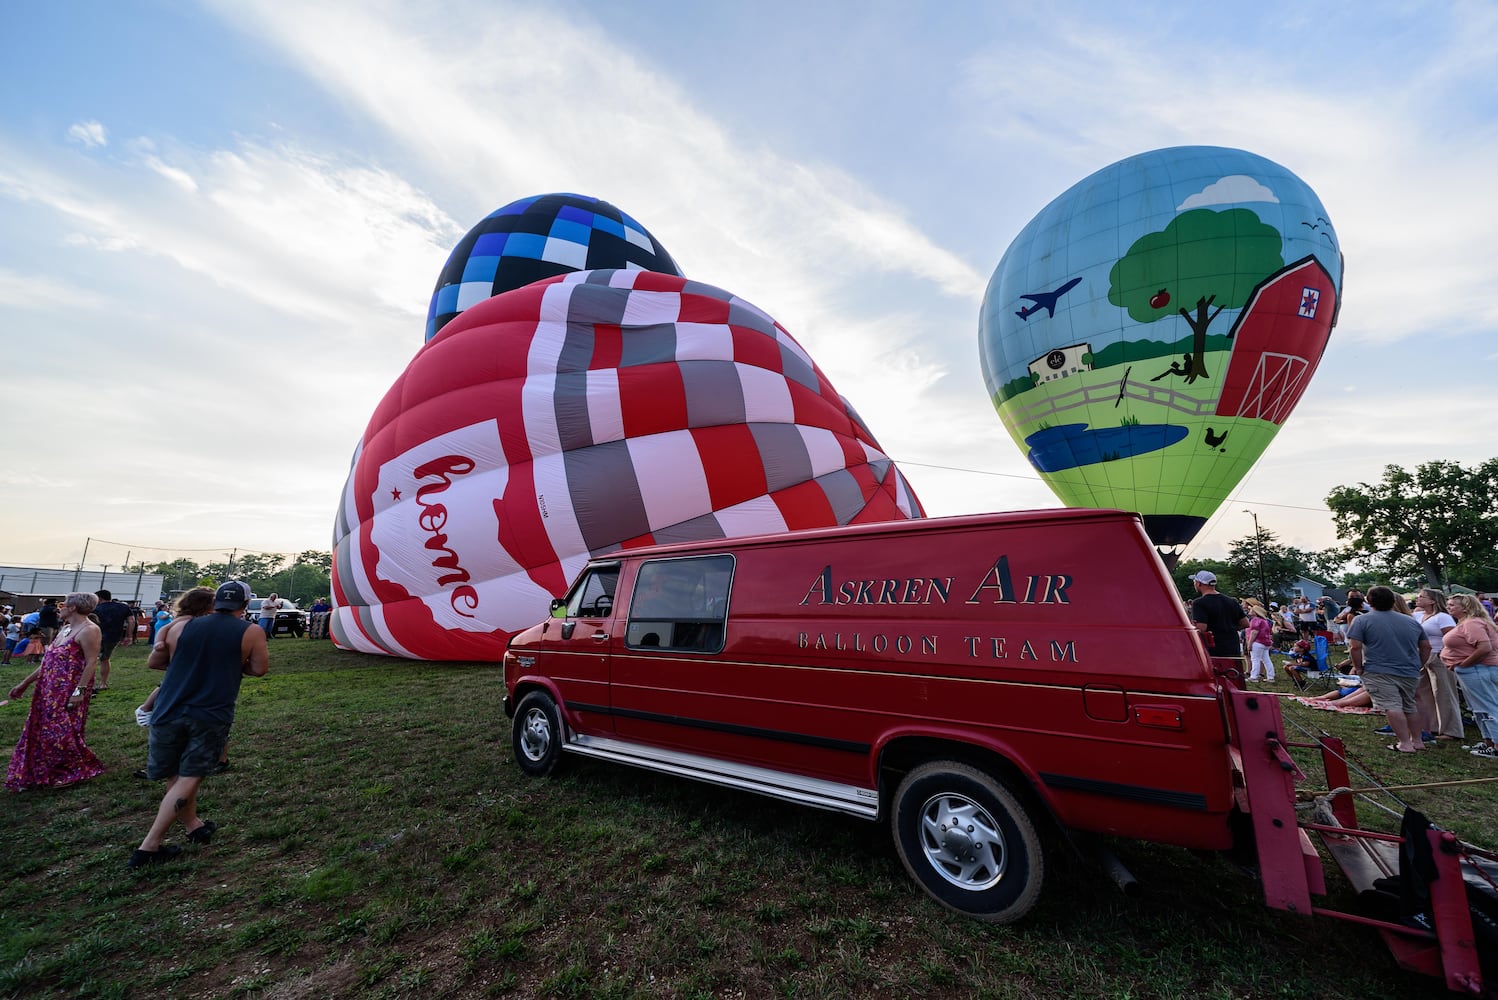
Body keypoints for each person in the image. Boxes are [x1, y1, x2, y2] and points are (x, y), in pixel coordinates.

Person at [129, 581, 268, 868]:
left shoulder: (179, 627)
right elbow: (258, 669)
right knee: (191, 776)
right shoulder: (250, 631)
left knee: (176, 775)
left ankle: (194, 825)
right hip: (209, 712)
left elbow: (156, 662)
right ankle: (149, 847)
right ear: (244, 604)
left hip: (168, 709)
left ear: (216, 602)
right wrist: (230, 662)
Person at [5, 592, 106, 790]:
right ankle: (42, 771)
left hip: (68, 689)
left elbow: (91, 662)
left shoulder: (89, 630)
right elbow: (47, 662)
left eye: (63, 604)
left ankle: (70, 771)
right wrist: (24, 683)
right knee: (41, 729)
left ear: (73, 607)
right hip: (48, 689)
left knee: (62, 731)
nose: (60, 608)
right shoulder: (65, 629)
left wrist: (79, 691)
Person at [1347, 586, 1430, 753]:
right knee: (1410, 706)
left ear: (1368, 601)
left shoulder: (1362, 620)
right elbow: (1426, 646)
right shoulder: (1411, 621)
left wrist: (1358, 667)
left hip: (1379, 670)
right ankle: (1418, 741)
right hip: (1409, 670)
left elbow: (1354, 647)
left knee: (1392, 706)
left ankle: (1405, 744)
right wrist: (1419, 664)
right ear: (1393, 601)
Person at [1441, 595, 1498, 760]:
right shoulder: (1469, 622)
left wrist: (1464, 664)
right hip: (1474, 670)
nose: (1448, 607)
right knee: (1479, 708)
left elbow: (1485, 647)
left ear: (1465, 607)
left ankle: (1496, 746)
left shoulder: (1472, 623)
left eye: (1452, 604)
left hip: (1478, 670)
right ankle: (1488, 742)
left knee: (1489, 707)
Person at [1411, 588, 1462, 743]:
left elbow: (1453, 638)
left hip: (1439, 655)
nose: (1417, 598)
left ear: (1432, 600)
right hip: (1422, 655)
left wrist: (1446, 654)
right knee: (1424, 692)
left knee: (1444, 693)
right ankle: (1432, 725)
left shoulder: (1443, 617)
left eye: (1421, 596)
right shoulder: (1418, 615)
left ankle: (1451, 729)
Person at [1189, 571, 1247, 658]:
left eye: (1194, 581)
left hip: (1214, 649)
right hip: (1233, 647)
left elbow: (1202, 628)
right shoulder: (1231, 601)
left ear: (1199, 584)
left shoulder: (1199, 603)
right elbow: (1245, 623)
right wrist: (1229, 628)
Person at [91, 589, 132, 691]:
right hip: (114, 636)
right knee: (105, 659)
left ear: (99, 598)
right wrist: (128, 636)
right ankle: (103, 683)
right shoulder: (123, 607)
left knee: (91, 660)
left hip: (96, 636)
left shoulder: (95, 608)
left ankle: (90, 684)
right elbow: (131, 620)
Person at [1245, 607, 1276, 682]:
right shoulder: (1265, 621)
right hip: (1265, 642)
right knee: (1266, 660)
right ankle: (1271, 676)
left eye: (1251, 610)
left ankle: (1254, 676)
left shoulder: (1255, 620)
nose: (1250, 611)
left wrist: (1250, 643)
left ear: (1255, 612)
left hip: (1257, 642)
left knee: (1255, 659)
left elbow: (1254, 632)